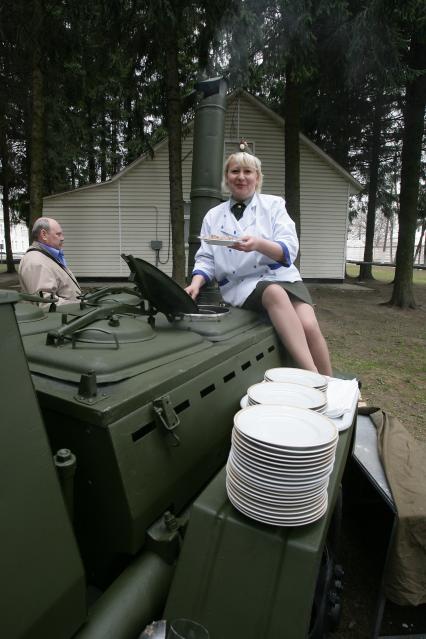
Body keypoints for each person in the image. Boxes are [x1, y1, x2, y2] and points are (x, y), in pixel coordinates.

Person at [185, 150, 332, 376]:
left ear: (258, 177)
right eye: (235, 171)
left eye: (247, 172)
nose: (241, 177)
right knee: (274, 293)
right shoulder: (212, 216)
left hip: (283, 277)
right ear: (226, 177)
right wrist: (196, 283)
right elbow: (206, 258)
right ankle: (313, 376)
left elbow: (289, 249)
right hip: (241, 283)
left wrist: (258, 244)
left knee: (309, 325)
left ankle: (330, 383)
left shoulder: (274, 206)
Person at [19, 217, 81, 309]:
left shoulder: (47, 257)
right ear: (43, 234)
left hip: (67, 317)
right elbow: (46, 304)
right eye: (58, 234)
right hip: (59, 320)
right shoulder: (36, 262)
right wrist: (81, 305)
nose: (62, 238)